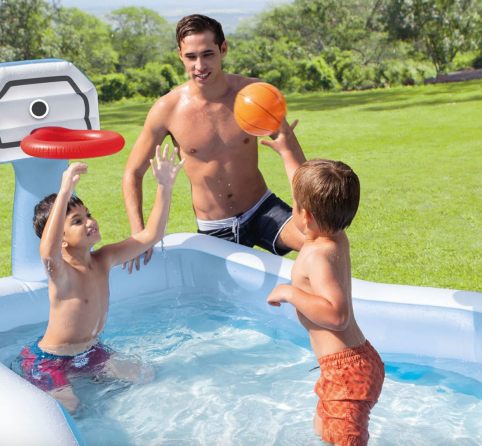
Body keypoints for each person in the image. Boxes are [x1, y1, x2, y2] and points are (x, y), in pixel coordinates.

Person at [122, 14, 307, 272]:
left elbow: (293, 150)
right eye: (191, 57)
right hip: (215, 229)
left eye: (208, 54)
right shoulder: (167, 109)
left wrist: (312, 207)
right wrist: (139, 234)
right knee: (222, 307)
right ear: (180, 54)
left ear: (223, 49)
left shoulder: (254, 94)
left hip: (262, 210)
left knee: (317, 242)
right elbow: (133, 172)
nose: (200, 65)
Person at [20, 145, 185, 413]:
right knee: (69, 409)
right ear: (60, 237)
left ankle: (94, 380)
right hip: (50, 360)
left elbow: (150, 236)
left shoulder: (103, 259)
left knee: (145, 375)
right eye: (76, 221)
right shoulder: (61, 271)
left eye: (88, 214)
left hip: (90, 353)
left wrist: (164, 187)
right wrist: (64, 192)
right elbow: (47, 252)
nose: (89, 222)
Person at [265, 151, 385, 446]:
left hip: (346, 373)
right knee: (323, 431)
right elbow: (303, 186)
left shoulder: (318, 256)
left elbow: (336, 314)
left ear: (305, 215)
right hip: (348, 365)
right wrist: (285, 149)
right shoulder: (335, 235)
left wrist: (290, 293)